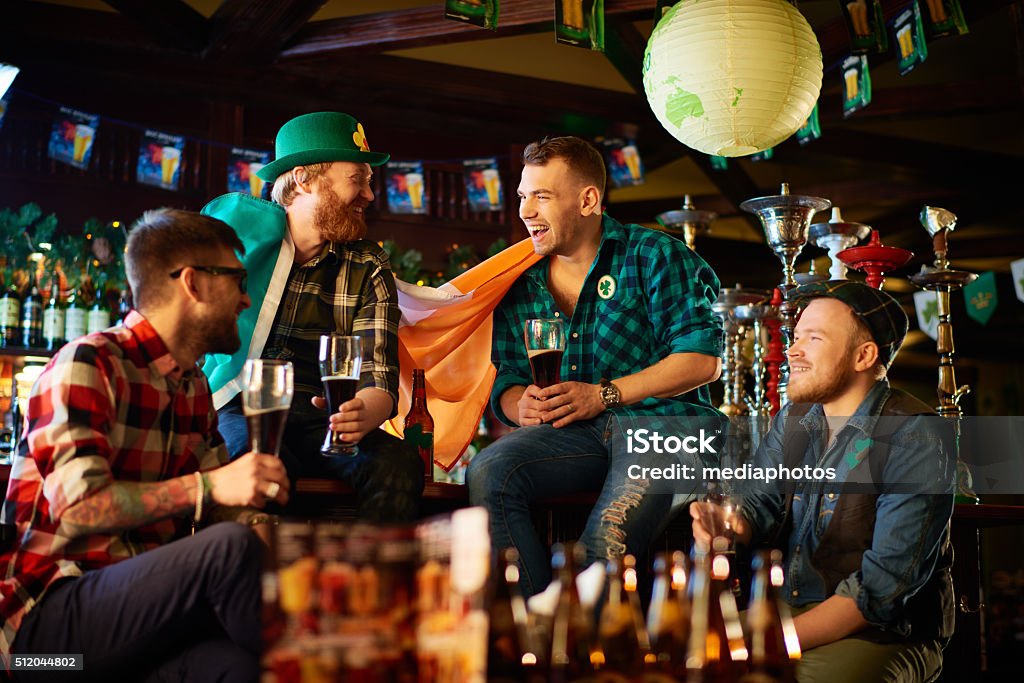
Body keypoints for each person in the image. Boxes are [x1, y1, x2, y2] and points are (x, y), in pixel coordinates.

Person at [0, 209, 289, 681]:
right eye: (237, 279)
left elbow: (227, 508)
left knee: (235, 668)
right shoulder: (89, 363)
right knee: (227, 551)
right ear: (192, 284)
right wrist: (211, 489)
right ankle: (331, 664)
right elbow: (80, 509)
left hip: (137, 628)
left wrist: (266, 529)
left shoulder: (193, 385)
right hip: (40, 647)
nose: (246, 298)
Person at [467, 136, 724, 597]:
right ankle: (534, 633)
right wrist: (518, 403)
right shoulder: (519, 282)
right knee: (489, 470)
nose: (525, 211)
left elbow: (702, 360)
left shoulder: (655, 255)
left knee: (605, 538)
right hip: (578, 436)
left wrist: (602, 394)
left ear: (588, 200)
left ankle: (566, 630)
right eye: (523, 196)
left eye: (542, 196)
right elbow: (506, 376)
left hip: (668, 428)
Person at [691, 280, 955, 683]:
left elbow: (880, 592)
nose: (793, 350)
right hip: (786, 612)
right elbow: (757, 505)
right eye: (796, 336)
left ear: (863, 356)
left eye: (813, 338)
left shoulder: (915, 435)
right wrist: (726, 524)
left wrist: (759, 635)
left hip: (883, 634)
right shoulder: (795, 419)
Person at [206, 112, 423, 522]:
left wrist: (365, 412)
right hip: (242, 408)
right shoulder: (238, 247)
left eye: (369, 182)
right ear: (304, 179)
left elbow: (378, 376)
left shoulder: (368, 263)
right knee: (254, 463)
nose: (369, 195)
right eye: (357, 180)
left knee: (399, 463)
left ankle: (362, 583)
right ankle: (268, 582)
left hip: (326, 418)